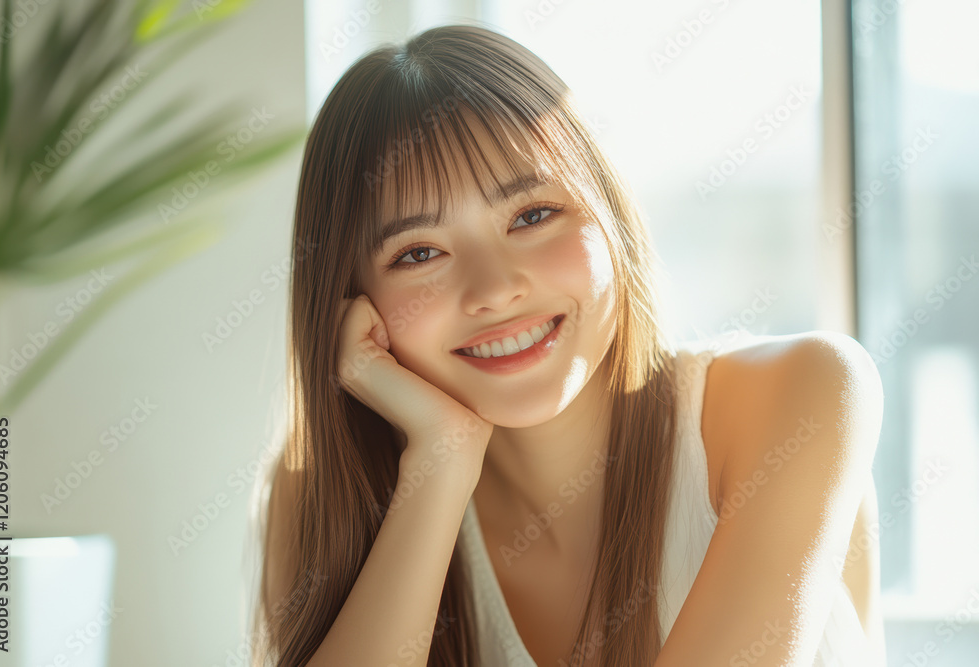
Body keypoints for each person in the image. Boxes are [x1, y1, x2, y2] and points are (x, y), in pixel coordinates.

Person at [247, 23, 886, 667]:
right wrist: (440, 463)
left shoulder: (803, 394)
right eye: (419, 253)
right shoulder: (323, 499)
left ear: (607, 212)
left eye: (531, 216)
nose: (494, 290)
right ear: (354, 306)